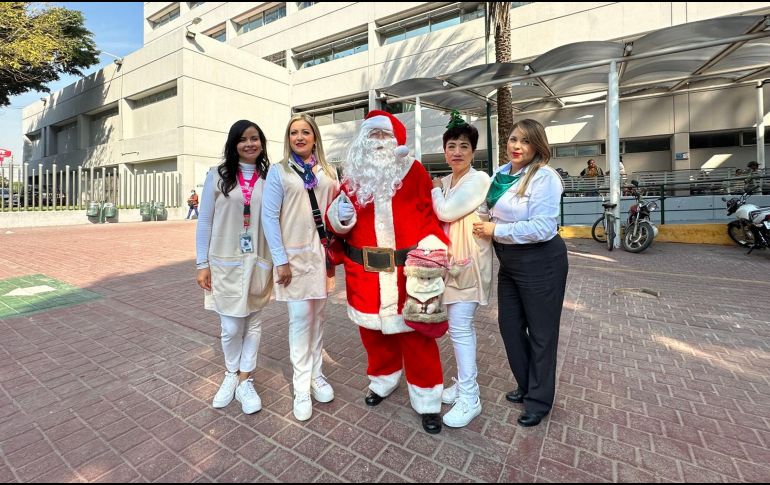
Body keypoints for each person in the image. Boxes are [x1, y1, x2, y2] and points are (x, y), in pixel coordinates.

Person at [326, 110, 450, 434]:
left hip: (405, 273)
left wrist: (432, 248)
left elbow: (429, 217)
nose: (379, 142)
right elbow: (339, 225)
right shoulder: (352, 178)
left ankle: (427, 400)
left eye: (384, 135)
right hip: (364, 277)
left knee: (417, 338)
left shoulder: (414, 171)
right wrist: (337, 217)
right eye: (373, 136)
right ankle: (382, 381)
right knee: (374, 336)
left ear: (395, 140)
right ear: (363, 141)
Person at [473, 119, 569, 428]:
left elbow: (544, 227)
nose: (517, 146)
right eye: (514, 139)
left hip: (542, 261)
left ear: (537, 146)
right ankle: (527, 384)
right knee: (509, 327)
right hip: (510, 260)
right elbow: (485, 208)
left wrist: (495, 229)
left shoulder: (545, 178)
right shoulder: (500, 173)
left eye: (525, 141)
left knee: (542, 334)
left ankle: (539, 400)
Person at [261, 114, 338, 422]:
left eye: (305, 132)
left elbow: (335, 214)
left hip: (321, 258)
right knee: (300, 321)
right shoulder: (279, 172)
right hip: (292, 260)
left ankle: (317, 375)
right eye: (294, 132)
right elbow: (269, 217)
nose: (300, 136)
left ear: (314, 137)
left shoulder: (328, 172)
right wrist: (280, 259)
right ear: (288, 138)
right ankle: (301, 386)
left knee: (318, 318)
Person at [196, 120, 274, 415]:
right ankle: (231, 373)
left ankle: (246, 378)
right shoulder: (217, 176)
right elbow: (204, 221)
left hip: (258, 260)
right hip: (224, 260)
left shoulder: (270, 177)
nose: (250, 144)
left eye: (255, 138)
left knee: (253, 322)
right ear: (233, 144)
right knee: (230, 326)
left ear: (262, 143)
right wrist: (201, 263)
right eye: (243, 140)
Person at [429, 111, 492, 428]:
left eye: (463, 146)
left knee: (460, 327)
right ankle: (464, 385)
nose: (456, 151)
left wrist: (435, 188)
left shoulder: (478, 180)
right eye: (451, 146)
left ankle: (471, 397)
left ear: (473, 151)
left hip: (467, 266)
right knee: (456, 329)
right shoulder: (451, 180)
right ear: (444, 151)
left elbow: (447, 211)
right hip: (448, 265)